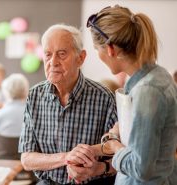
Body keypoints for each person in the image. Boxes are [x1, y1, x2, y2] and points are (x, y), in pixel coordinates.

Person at [76, 5, 177, 185]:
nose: (98, 55)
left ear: (110, 49)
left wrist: (114, 144)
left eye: (96, 49)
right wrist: (116, 132)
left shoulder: (147, 91)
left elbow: (140, 168)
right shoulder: (158, 76)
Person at [18, 24, 118, 185]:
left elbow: (121, 156)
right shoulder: (35, 95)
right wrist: (66, 158)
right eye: (48, 54)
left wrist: (96, 168)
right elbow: (27, 159)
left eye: (62, 54)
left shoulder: (104, 97)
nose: (53, 62)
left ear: (81, 58)